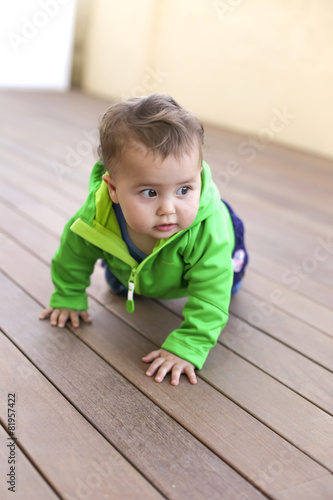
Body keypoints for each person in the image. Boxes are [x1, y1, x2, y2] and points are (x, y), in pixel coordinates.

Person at [40, 94, 248, 386]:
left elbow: (211, 293)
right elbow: (72, 255)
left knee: (227, 285)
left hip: (224, 253)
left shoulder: (208, 232)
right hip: (144, 265)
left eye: (185, 189)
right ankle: (133, 277)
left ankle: (222, 275)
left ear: (199, 177)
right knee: (122, 281)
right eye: (150, 192)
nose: (168, 209)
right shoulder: (96, 217)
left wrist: (188, 345)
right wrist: (68, 295)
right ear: (113, 189)